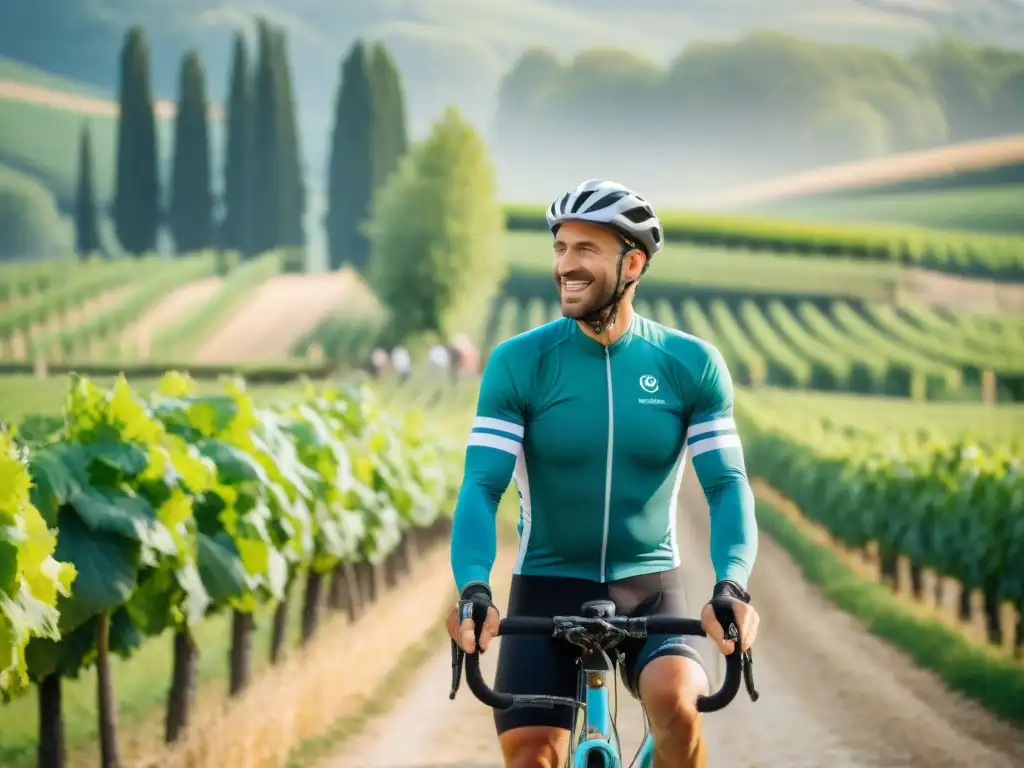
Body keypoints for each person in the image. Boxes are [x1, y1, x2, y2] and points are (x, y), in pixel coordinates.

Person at [446, 179, 760, 768]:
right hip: (546, 582)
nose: (566, 264)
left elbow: (724, 486)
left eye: (585, 250)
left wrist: (731, 586)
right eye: (560, 248)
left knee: (679, 706)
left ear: (632, 262)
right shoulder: (521, 362)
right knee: (533, 755)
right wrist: (474, 590)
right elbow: (481, 486)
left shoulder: (688, 365)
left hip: (649, 585)